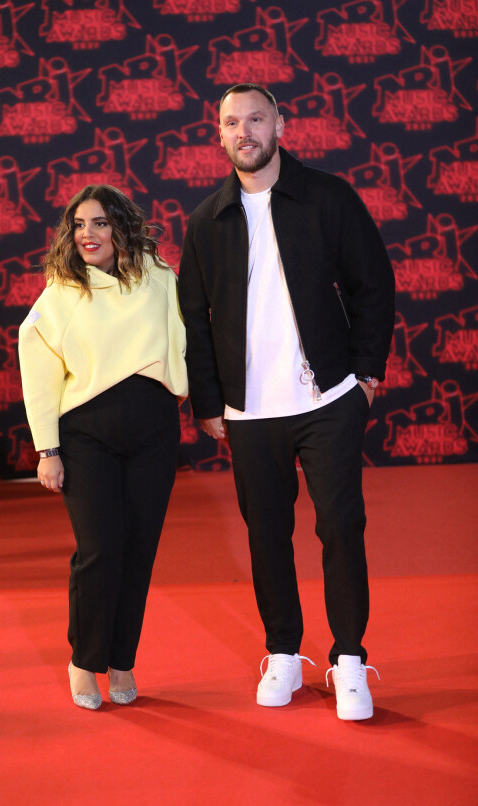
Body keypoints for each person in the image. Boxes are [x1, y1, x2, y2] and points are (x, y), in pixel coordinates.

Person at [178, 83, 395, 721]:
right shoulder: (205, 221)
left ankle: (349, 659)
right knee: (267, 535)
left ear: (280, 124)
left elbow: (372, 284)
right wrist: (210, 403)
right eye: (230, 123)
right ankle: (282, 654)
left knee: (341, 529)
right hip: (249, 412)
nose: (243, 131)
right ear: (219, 135)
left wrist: (365, 375)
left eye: (255, 119)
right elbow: (193, 319)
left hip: (328, 399)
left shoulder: (328, 196)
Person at [18, 184, 188, 711]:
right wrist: (48, 450)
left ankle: (122, 659)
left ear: (122, 227)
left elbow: (186, 339)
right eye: (78, 224)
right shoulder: (61, 293)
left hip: (154, 430)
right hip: (86, 435)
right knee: (99, 551)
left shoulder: (160, 279)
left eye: (99, 222)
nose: (87, 234)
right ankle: (84, 661)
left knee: (138, 553)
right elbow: (40, 372)